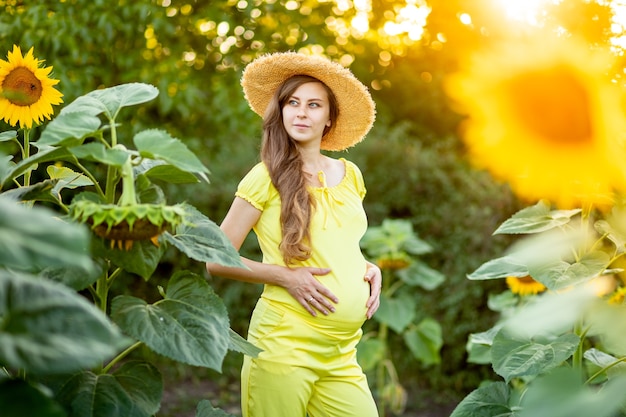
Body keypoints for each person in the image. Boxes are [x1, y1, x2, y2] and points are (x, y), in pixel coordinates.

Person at [206, 51, 381, 417]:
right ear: (281, 111)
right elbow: (215, 259)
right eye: (293, 103)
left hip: (342, 352)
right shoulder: (264, 176)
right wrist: (286, 277)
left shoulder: (351, 175)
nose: (301, 112)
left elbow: (339, 242)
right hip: (283, 344)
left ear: (329, 117)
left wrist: (368, 268)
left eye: (314, 104)